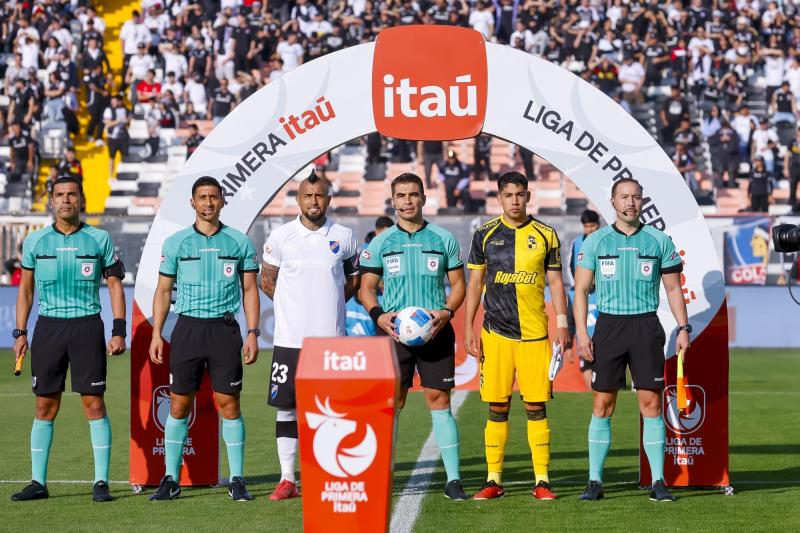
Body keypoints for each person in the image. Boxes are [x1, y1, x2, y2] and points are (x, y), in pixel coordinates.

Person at [573, 178, 690, 503]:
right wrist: (582, 332)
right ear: (612, 202)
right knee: (602, 404)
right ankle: (595, 481)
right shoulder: (596, 242)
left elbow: (672, 288)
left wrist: (683, 328)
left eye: (636, 197)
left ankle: (658, 481)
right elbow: (581, 290)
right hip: (608, 328)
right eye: (624, 197)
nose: (630, 203)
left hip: (645, 327)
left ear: (642, 202)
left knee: (651, 405)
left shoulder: (658, 241)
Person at [11, 177, 127, 502]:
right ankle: (38, 482)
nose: (66, 200)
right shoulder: (35, 242)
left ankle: (101, 482)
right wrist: (20, 333)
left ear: (81, 200)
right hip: (48, 328)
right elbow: (26, 291)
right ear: (51, 201)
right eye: (60, 195)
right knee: (44, 405)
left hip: (87, 327)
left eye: (71, 195)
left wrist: (119, 329)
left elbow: (116, 286)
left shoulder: (99, 239)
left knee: (93, 403)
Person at [148, 177, 260, 501]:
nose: (208, 202)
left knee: (229, 404)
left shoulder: (238, 242)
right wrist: (157, 332)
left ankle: (237, 479)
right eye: (202, 197)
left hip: (224, 331)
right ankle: (171, 479)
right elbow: (163, 291)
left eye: (214, 197)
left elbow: (250, 290)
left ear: (223, 201)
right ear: (192, 203)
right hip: (187, 329)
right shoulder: (176, 243)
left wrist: (252, 333)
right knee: (179, 404)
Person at [359, 173, 469, 500]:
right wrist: (379, 316)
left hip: (435, 331)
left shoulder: (443, 238)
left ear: (423, 198)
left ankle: (453, 480)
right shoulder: (380, 243)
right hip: (394, 336)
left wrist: (447, 312)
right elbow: (366, 289)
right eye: (402, 195)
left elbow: (459, 286)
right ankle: (380, 475)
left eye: (413, 195)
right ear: (393, 201)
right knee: (392, 404)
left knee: (440, 401)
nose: (408, 201)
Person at [463, 171, 570, 501]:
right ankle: (494, 479)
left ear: (528, 196)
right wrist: (468, 326)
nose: (515, 200)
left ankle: (542, 481)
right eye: (508, 195)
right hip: (495, 334)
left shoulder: (546, 234)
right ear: (499, 198)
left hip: (535, 335)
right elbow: (476, 285)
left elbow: (555, 283)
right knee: (498, 406)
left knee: (536, 406)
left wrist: (562, 323)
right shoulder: (484, 234)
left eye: (520, 194)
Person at [261, 171, 360, 500]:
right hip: (289, 340)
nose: (313, 201)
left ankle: (324, 475)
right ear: (298, 199)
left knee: (329, 410)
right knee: (286, 409)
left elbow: (353, 281)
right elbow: (267, 281)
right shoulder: (280, 237)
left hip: (330, 343)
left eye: (319, 196)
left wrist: (329, 304)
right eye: (307, 196)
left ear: (328, 200)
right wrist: (293, 308)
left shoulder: (344, 236)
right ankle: (287, 478)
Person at [568, 210, 601, 390]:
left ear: (599, 224)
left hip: (603, 292)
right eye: (587, 226)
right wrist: (581, 287)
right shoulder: (577, 243)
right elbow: (572, 267)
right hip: (584, 292)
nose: (589, 229)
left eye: (592, 225)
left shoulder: (607, 239)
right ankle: (593, 392)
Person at [103, 95, 129, 179]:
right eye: (113, 101)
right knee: (111, 157)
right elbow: (108, 123)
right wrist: (119, 121)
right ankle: (110, 176)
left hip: (123, 137)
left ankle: (124, 175)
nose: (114, 103)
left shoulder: (124, 109)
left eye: (115, 101)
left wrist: (127, 120)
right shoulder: (108, 110)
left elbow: (127, 121)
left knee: (124, 157)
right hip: (112, 138)